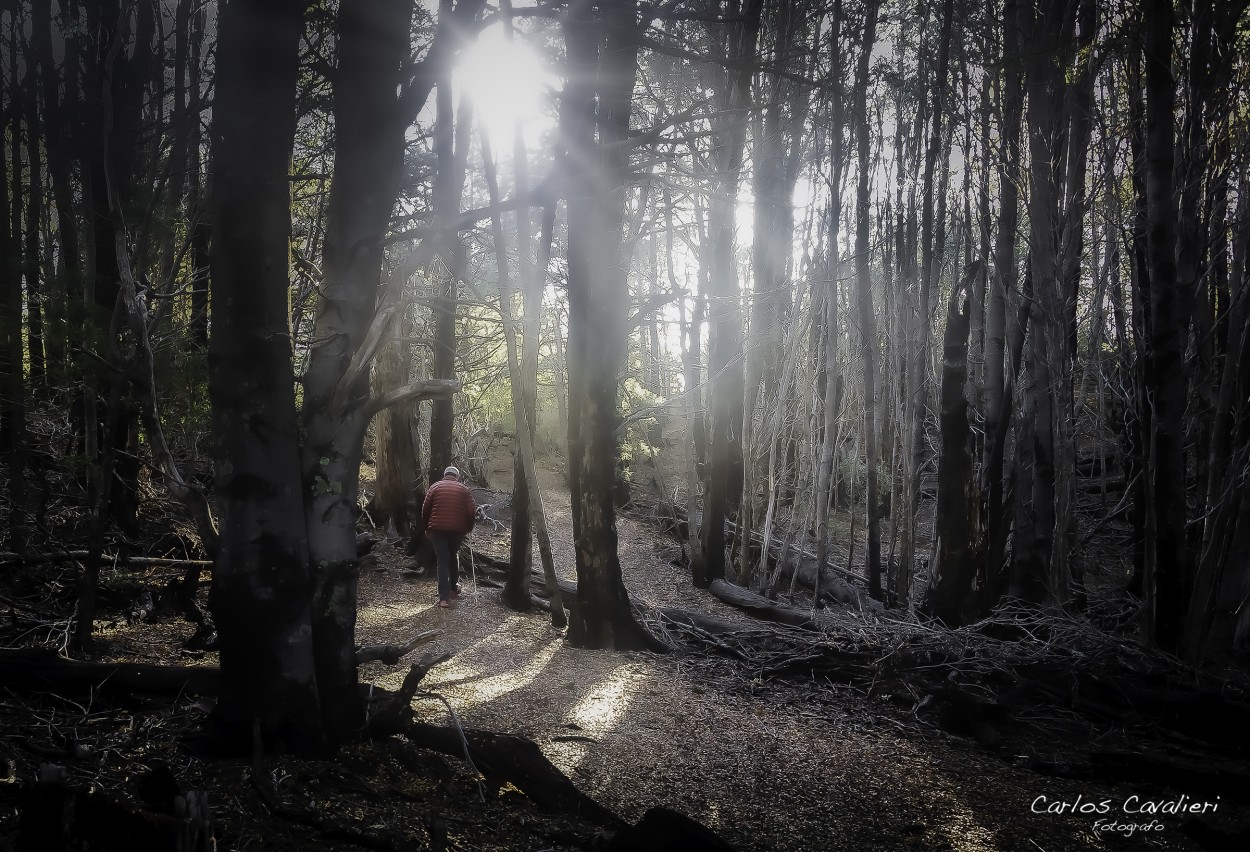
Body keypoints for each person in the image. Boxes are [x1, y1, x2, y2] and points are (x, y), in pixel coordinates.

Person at [421, 466, 477, 608]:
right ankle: (453, 588)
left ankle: (443, 598)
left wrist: (427, 527)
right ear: (456, 476)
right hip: (457, 530)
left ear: (445, 475)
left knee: (442, 560)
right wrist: (468, 527)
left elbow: (425, 509)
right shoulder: (464, 489)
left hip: (438, 529)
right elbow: (471, 511)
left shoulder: (435, 487)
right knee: (453, 555)